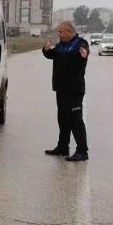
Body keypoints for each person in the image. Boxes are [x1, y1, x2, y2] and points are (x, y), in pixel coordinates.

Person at [42, 20, 90, 161]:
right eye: (59, 31)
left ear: (69, 32)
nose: (59, 34)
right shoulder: (61, 46)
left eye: (61, 31)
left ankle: (82, 151)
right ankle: (63, 147)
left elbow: (84, 51)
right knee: (63, 119)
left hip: (74, 90)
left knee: (76, 120)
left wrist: (84, 54)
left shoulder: (79, 43)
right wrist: (46, 49)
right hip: (61, 89)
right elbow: (50, 55)